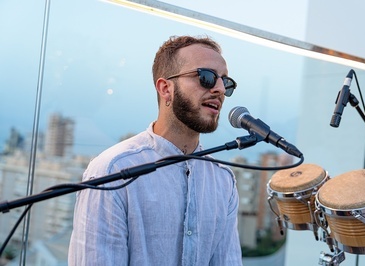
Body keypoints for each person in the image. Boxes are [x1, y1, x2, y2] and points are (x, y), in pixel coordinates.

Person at [68, 35, 242, 265]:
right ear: (166, 88)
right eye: (206, 77)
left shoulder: (223, 181)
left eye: (225, 82)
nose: (219, 89)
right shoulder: (112, 171)